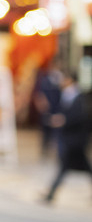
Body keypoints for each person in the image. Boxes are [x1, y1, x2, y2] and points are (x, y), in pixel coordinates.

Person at [42, 70, 92, 203]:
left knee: (67, 167)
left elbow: (81, 117)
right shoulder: (67, 94)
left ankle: (51, 194)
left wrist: (63, 120)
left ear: (70, 80)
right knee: (71, 167)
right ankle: (51, 194)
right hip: (70, 139)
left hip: (76, 140)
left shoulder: (80, 97)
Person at [32, 64, 63, 154]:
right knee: (45, 131)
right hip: (46, 110)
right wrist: (41, 104)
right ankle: (45, 150)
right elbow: (38, 95)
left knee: (55, 131)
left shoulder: (59, 81)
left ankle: (55, 149)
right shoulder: (44, 81)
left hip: (56, 110)